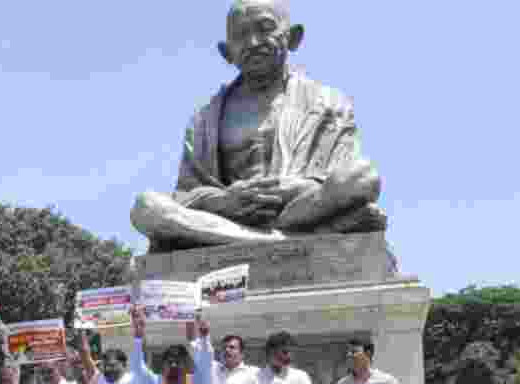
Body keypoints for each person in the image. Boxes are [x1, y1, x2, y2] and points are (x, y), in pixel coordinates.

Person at [129, 0, 386, 251]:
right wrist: (225, 201)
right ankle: (282, 242)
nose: (252, 43)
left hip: (300, 210)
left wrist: (292, 189)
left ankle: (254, 238)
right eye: (240, 35)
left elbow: (340, 175)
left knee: (363, 176)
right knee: (146, 206)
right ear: (226, 51)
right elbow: (187, 194)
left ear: (293, 37)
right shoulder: (204, 120)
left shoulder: (329, 102)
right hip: (227, 219)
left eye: (265, 28)